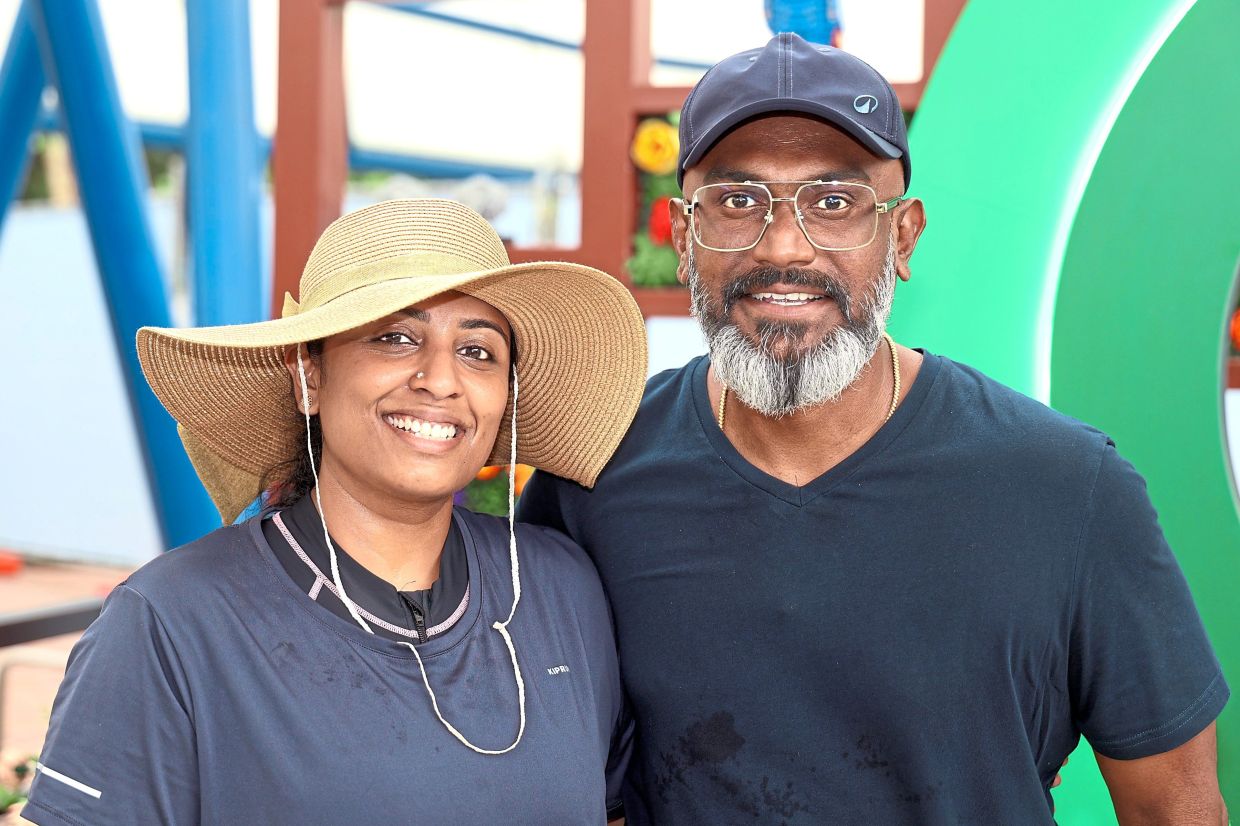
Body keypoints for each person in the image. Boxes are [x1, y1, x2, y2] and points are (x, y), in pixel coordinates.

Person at [518, 33, 1230, 824]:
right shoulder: (594, 475)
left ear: (903, 236)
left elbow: (1175, 807)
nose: (783, 247)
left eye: (834, 202)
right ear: (684, 239)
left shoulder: (1068, 488)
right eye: (737, 201)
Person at [24, 199, 647, 824]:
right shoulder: (173, 621)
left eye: (478, 351)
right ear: (308, 379)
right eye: (395, 338)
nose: (440, 379)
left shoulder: (561, 588)